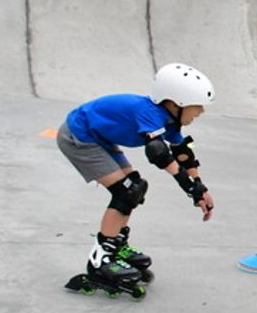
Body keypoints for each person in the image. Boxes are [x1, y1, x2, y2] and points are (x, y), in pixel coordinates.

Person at [57, 63, 215, 297]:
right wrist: (187, 186)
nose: (201, 112)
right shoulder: (149, 113)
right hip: (78, 136)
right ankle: (101, 259)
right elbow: (158, 153)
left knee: (136, 189)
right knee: (125, 192)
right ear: (174, 104)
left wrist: (199, 187)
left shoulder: (170, 118)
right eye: (196, 106)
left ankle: (117, 246)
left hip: (99, 138)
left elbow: (182, 152)